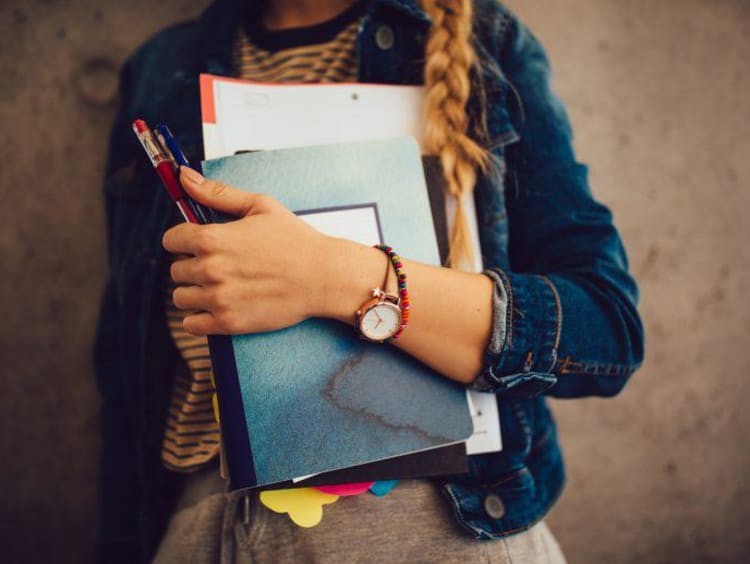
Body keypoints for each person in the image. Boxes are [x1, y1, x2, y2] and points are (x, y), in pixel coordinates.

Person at [93, 0, 644, 562]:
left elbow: (605, 330)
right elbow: (123, 366)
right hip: (203, 522)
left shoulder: (485, 41)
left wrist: (337, 278)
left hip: (426, 520)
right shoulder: (161, 66)